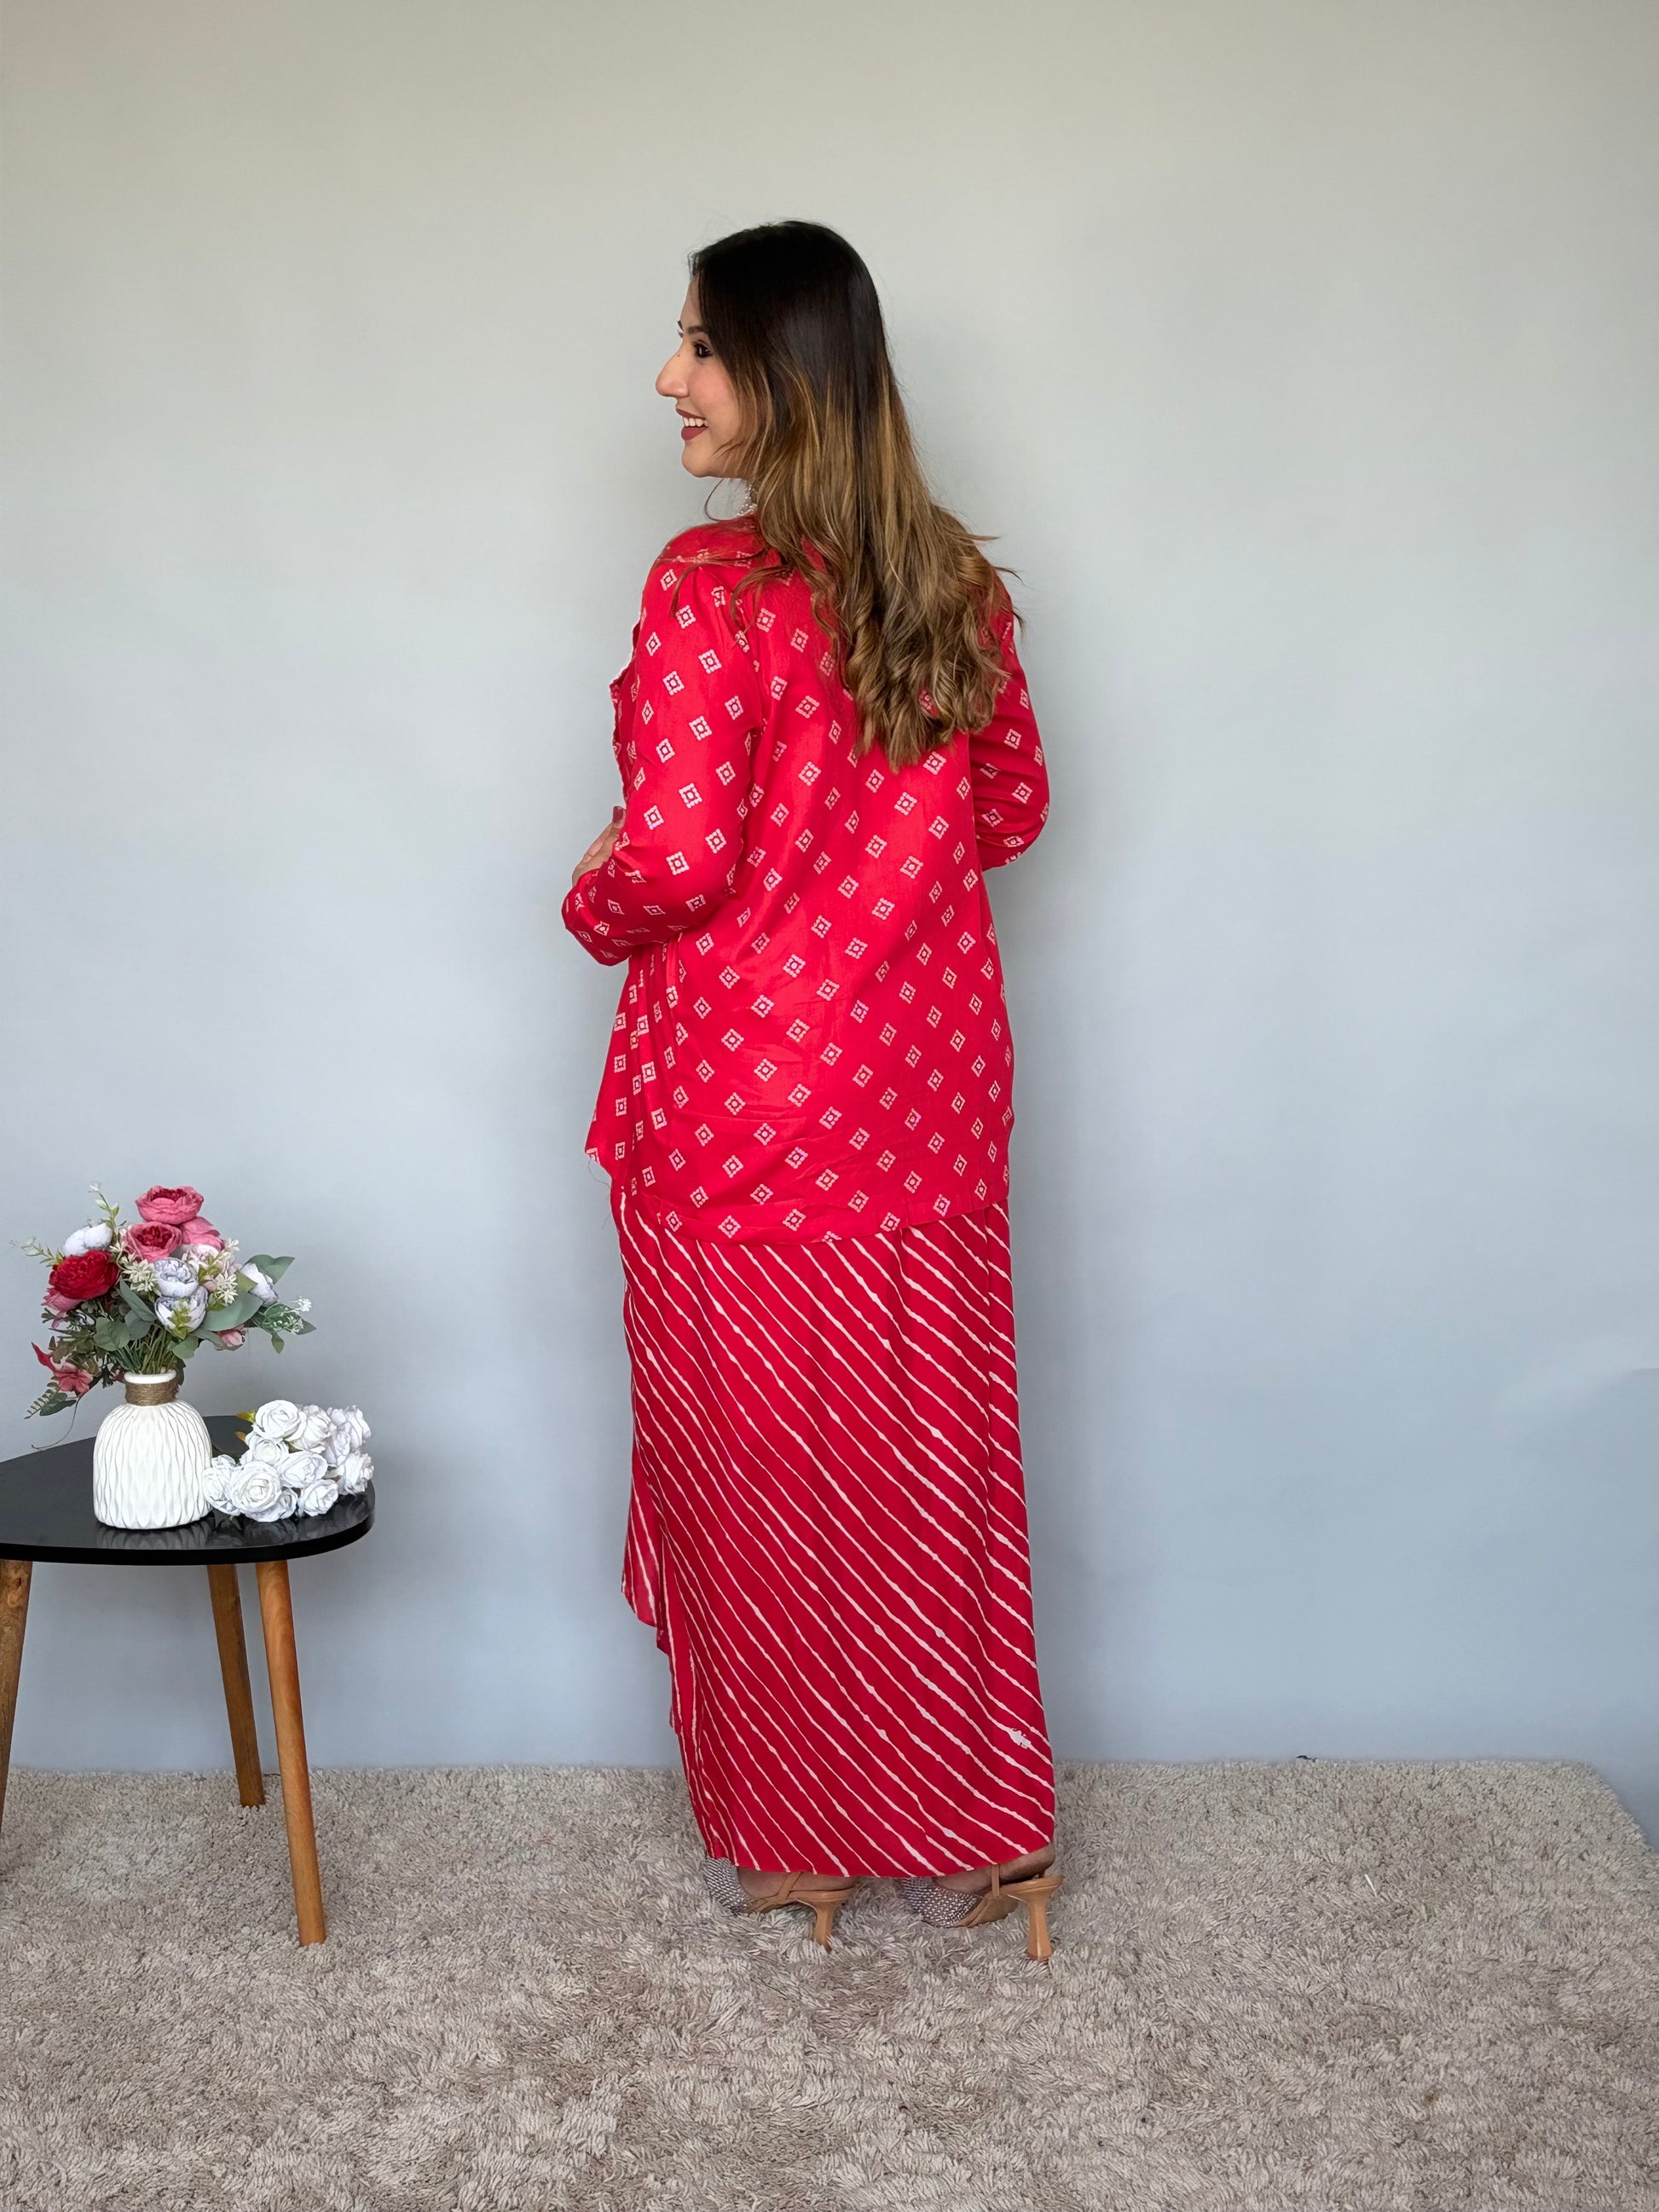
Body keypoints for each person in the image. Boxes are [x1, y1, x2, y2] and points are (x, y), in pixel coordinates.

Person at [563, 222, 1061, 1960]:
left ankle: (805, 1836)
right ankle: (990, 1828)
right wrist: (870, 853)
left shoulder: (709, 587)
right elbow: (1009, 811)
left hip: (740, 1115)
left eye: (699, 345)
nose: (668, 378)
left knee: (763, 1466)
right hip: (924, 1099)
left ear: (783, 372)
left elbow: (676, 855)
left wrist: (591, 892)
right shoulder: (950, 578)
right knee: (928, 1465)